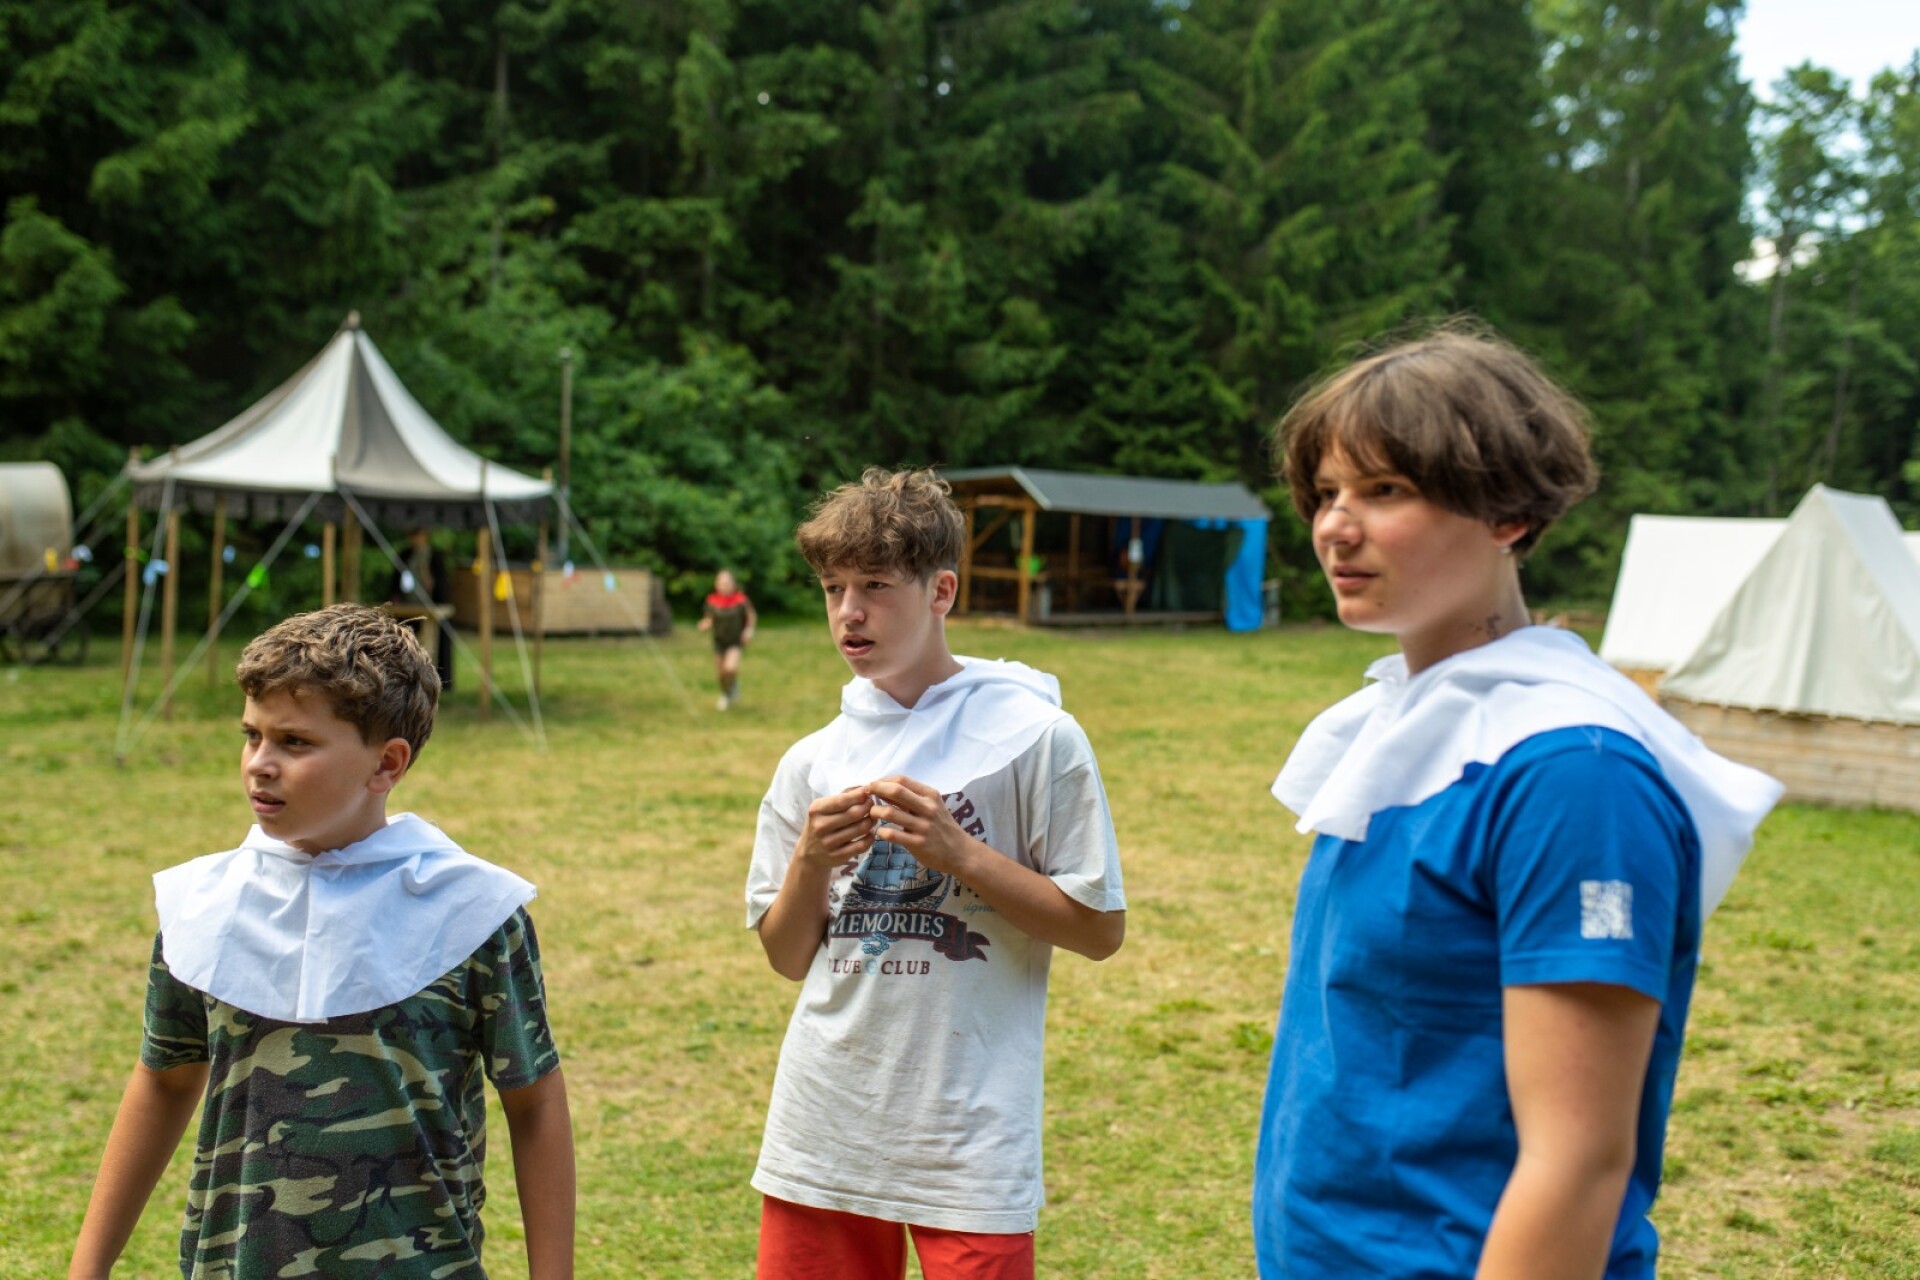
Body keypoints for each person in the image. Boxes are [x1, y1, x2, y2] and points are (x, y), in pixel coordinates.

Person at [1252, 325, 1783, 1279]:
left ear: (1508, 511)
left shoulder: (1572, 775)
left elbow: (1578, 1163)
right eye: (1327, 492)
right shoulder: (1408, 728)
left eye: (1385, 490)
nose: (1335, 525)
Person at [69, 603, 574, 1280]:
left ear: (386, 763)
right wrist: (86, 1269)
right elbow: (162, 1083)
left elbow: (534, 1104)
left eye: (294, 742)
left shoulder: (473, 915)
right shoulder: (203, 908)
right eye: (252, 736)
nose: (260, 764)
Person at [745, 467, 1127, 1280]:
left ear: (942, 591)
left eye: (876, 586)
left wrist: (961, 854)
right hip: (825, 1126)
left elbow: (1099, 930)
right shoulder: (813, 761)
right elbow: (785, 956)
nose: (849, 612)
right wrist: (811, 860)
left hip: (968, 1136)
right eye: (833, 588)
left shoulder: (1035, 737)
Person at [699, 568, 757, 709]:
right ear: (716, 585)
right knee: (721, 674)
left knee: (730, 669)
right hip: (719, 641)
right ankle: (725, 694)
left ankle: (733, 685)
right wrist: (705, 624)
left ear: (733, 584)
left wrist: (748, 631)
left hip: (735, 641)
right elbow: (709, 618)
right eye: (721, 583)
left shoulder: (741, 600)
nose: (724, 586)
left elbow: (751, 616)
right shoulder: (712, 601)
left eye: (727, 583)